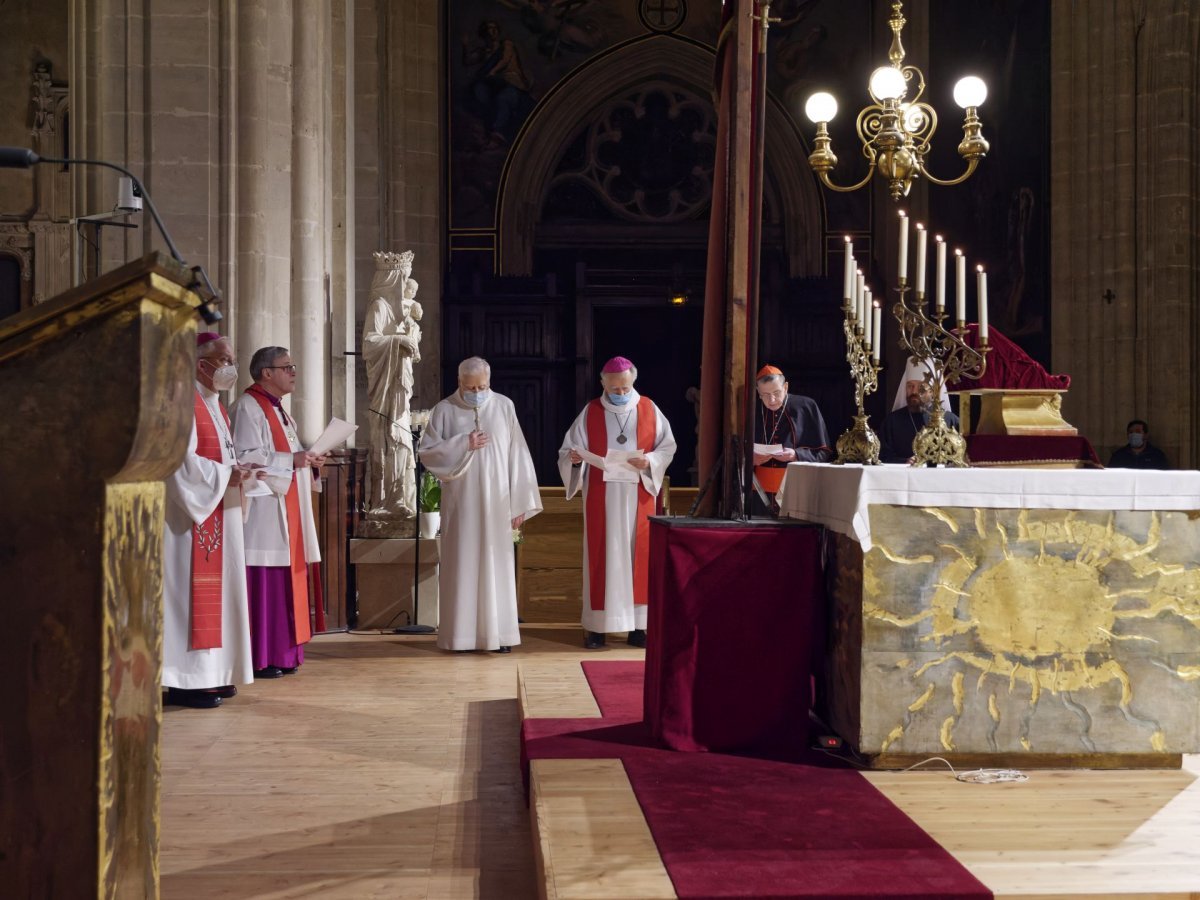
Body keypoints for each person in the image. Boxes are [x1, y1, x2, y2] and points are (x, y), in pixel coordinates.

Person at [418, 356, 542, 653]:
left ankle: (499, 636)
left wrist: (520, 503)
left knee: (496, 565)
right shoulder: (444, 410)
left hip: (497, 504)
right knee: (462, 563)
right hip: (461, 504)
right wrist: (463, 443)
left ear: (490, 381)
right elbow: (428, 453)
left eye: (482, 386)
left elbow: (518, 456)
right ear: (459, 382)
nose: (477, 392)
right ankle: (460, 637)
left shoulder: (504, 406)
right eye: (471, 387)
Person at [162, 332, 254, 709]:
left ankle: (214, 673)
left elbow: (221, 457)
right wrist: (223, 476)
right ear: (202, 365)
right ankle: (187, 680)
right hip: (189, 520)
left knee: (223, 592)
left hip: (219, 511)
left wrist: (238, 471)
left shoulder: (214, 404)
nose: (230, 366)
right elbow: (178, 461)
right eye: (225, 359)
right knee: (189, 597)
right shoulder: (183, 401)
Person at [558, 357, 676, 650]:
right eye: (614, 388)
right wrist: (574, 459)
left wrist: (648, 460)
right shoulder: (591, 412)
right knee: (603, 556)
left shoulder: (649, 409)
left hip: (640, 495)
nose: (620, 393)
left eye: (624, 388)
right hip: (602, 496)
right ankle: (597, 628)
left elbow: (668, 447)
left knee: (640, 558)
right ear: (603, 384)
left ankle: (639, 628)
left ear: (633, 381)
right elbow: (569, 448)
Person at [231, 347, 326, 678]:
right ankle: (264, 656)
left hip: (287, 508)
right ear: (266, 373)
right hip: (264, 512)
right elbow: (246, 457)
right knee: (268, 583)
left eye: (293, 366)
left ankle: (284, 655)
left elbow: (287, 455)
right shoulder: (247, 406)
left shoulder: (281, 412)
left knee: (287, 580)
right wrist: (292, 461)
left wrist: (308, 463)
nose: (293, 372)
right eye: (287, 367)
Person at [363, 249, 423, 519]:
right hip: (386, 388)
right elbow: (369, 344)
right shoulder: (379, 307)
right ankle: (385, 498)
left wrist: (409, 341)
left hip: (400, 383)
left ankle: (400, 496)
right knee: (390, 435)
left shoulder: (400, 315)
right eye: (404, 280)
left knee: (400, 438)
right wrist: (398, 341)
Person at [752, 365, 832, 511]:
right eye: (765, 394)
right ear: (758, 392)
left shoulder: (806, 406)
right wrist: (750, 458)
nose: (772, 400)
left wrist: (796, 455)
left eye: (776, 392)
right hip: (757, 493)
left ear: (786, 387)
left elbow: (823, 451)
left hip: (797, 490)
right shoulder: (752, 409)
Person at [881, 360, 961, 464]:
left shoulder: (950, 421)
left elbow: (961, 456)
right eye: (910, 386)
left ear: (932, 391)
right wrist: (905, 461)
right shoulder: (892, 422)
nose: (914, 391)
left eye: (921, 386)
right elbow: (882, 457)